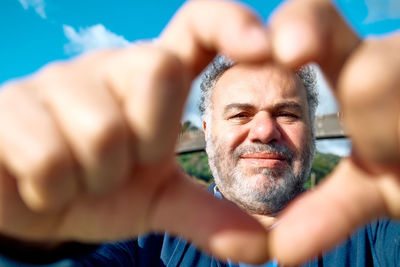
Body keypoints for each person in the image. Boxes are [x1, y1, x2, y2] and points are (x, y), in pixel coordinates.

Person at [0, 0, 399, 266]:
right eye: (240, 114)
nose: (264, 129)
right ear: (206, 130)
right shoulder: (141, 238)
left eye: (287, 114)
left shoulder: (374, 230)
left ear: (312, 132)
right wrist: (28, 231)